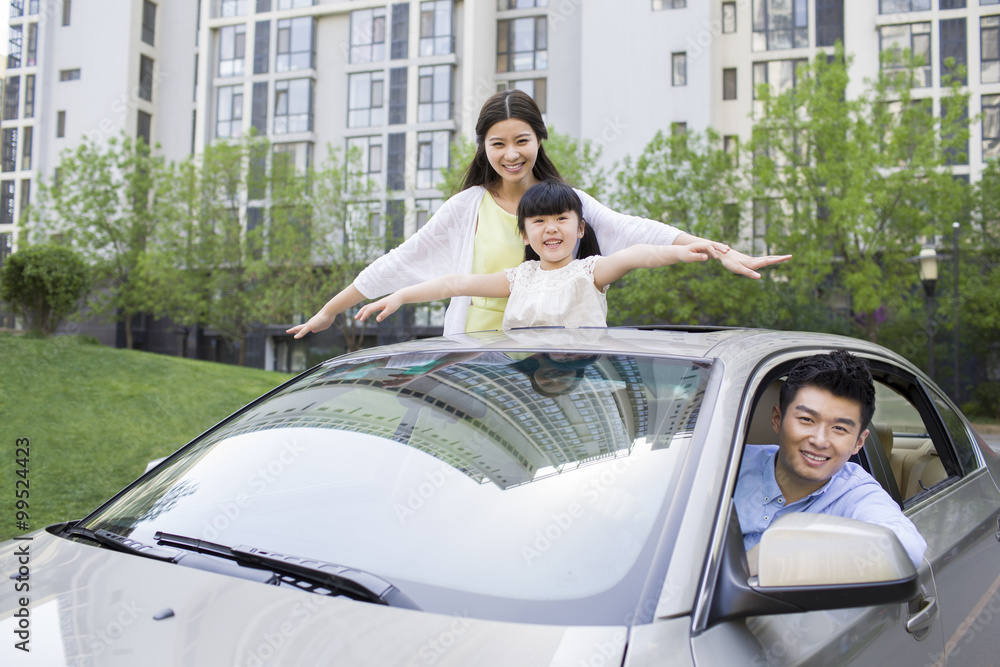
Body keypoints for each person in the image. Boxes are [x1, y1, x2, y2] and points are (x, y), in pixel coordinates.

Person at [287, 89, 790, 338]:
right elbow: (405, 261)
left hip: (551, 351)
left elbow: (635, 234)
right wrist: (332, 309)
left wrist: (717, 250)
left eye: (521, 140)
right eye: (498, 143)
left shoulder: (564, 202)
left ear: (538, 140)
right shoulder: (466, 207)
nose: (511, 154)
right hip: (474, 350)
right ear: (484, 147)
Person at [354, 180, 717, 329]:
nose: (552, 228)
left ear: (580, 229)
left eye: (562, 218)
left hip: (582, 381)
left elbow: (638, 254)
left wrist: (684, 250)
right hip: (525, 385)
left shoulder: (590, 271)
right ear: (525, 235)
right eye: (539, 221)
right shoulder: (519, 277)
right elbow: (453, 283)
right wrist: (400, 295)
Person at [735, 350, 927, 570]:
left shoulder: (855, 493)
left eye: (839, 428)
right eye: (807, 419)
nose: (819, 440)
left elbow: (906, 549)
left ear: (858, 442)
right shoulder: (728, 466)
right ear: (777, 419)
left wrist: (776, 554)